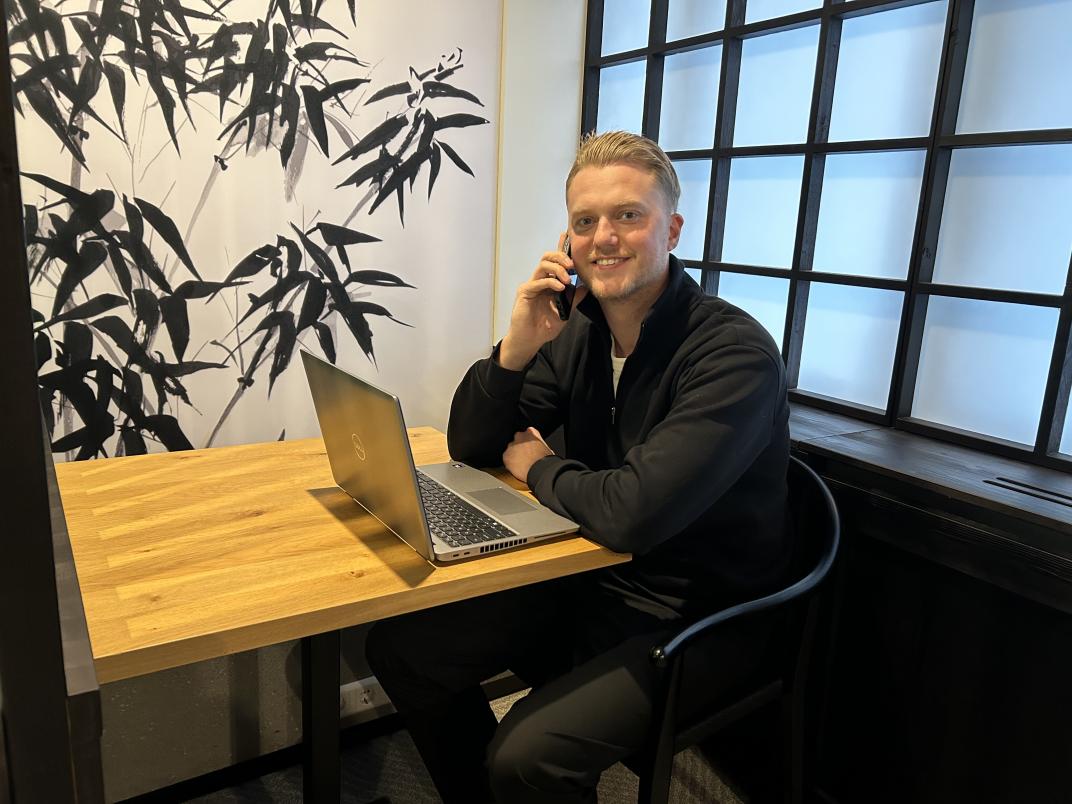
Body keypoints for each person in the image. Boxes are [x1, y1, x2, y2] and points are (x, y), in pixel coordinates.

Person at [366, 131, 793, 803]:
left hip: (698, 616)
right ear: (568, 241)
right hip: (587, 574)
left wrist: (540, 466)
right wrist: (516, 346)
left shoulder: (732, 354)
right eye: (585, 222)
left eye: (629, 215)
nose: (605, 238)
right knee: (403, 651)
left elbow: (631, 513)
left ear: (673, 229)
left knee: (527, 757)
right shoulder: (580, 332)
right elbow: (473, 446)